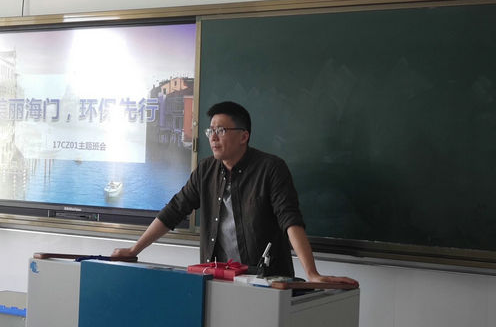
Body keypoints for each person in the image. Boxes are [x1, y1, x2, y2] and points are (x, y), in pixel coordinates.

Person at [113, 101, 358, 285]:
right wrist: (134, 250)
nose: (213, 137)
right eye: (210, 131)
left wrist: (312, 273)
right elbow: (174, 210)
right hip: (216, 280)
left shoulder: (271, 168)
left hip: (266, 282)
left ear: (244, 136)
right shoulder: (206, 170)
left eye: (221, 130)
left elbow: (290, 220)